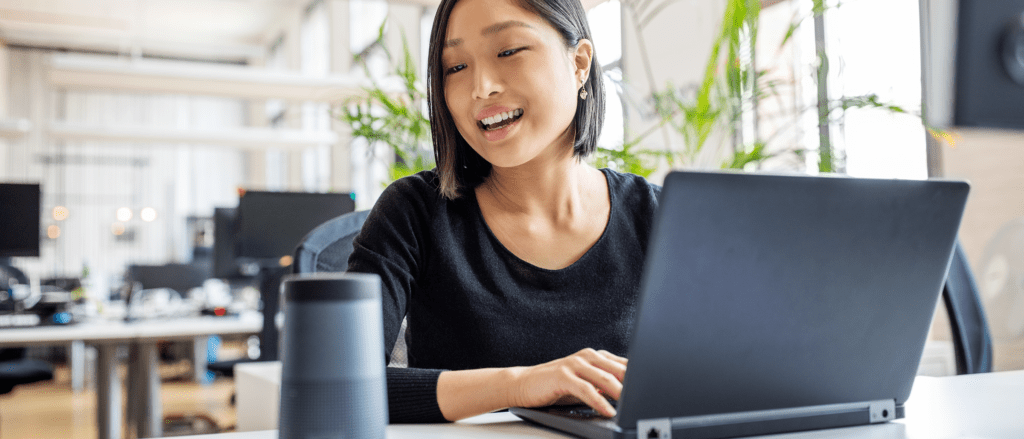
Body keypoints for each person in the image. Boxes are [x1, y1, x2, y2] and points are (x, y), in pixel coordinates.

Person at [346, 0, 661, 423]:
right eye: (455, 67)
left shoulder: (658, 217)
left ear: (580, 63)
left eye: (508, 51)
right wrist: (519, 385)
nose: (482, 87)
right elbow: (340, 384)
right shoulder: (414, 213)